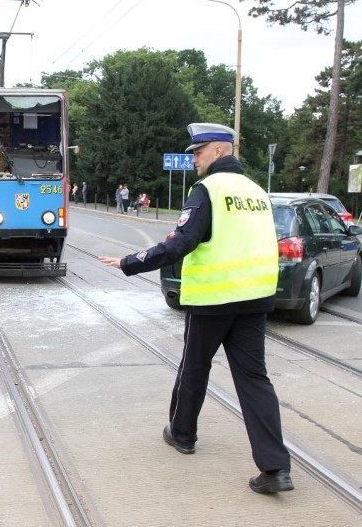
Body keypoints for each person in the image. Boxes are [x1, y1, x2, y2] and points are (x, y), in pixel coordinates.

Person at [98, 122, 293, 495]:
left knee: (194, 367)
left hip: (214, 299)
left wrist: (130, 261)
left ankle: (183, 434)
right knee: (255, 380)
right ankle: (275, 468)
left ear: (219, 150)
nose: (194, 161)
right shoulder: (257, 192)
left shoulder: (208, 190)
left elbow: (181, 242)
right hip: (255, 299)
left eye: (199, 153)